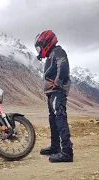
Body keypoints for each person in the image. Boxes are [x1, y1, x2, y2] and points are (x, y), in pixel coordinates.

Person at [34, 30, 73, 162]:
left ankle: (67, 152)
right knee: (53, 119)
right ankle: (55, 147)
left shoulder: (58, 52)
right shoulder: (51, 54)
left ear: (46, 42)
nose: (39, 50)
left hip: (57, 90)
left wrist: (57, 83)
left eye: (40, 47)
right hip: (52, 92)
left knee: (60, 118)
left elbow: (63, 67)